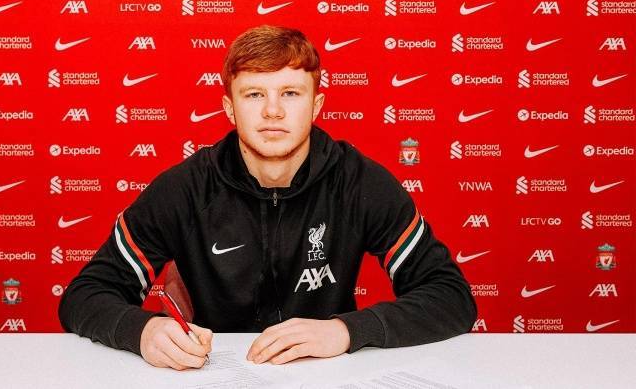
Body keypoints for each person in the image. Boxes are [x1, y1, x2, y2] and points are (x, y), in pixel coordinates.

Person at [58, 25, 477, 370]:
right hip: (212, 373)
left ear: (316, 105)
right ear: (229, 108)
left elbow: (451, 295)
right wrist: (143, 331)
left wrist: (346, 331)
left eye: (290, 93)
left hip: (329, 375)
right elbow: (85, 294)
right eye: (254, 94)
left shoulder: (357, 182)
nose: (272, 111)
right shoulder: (186, 188)